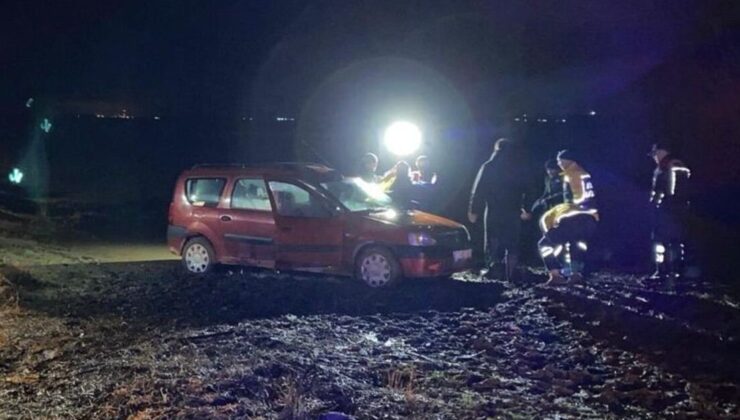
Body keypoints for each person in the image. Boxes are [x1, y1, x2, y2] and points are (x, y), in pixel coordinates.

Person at [468, 138, 528, 280]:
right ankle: (510, 273)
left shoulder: (489, 166)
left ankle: (494, 270)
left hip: (494, 209)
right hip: (513, 209)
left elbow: (479, 189)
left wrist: (474, 210)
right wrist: (526, 208)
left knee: (492, 240)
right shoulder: (518, 167)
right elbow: (527, 188)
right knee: (512, 243)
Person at [538, 149, 599, 285]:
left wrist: (557, 214)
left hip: (574, 218)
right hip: (590, 219)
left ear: (569, 160)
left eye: (560, 160)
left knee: (544, 244)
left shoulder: (571, 175)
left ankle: (555, 274)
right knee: (576, 244)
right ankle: (576, 274)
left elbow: (575, 201)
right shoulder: (585, 173)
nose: (558, 163)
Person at [648, 143, 692, 280]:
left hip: (670, 211)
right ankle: (667, 270)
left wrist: (660, 204)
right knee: (669, 240)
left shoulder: (671, 165)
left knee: (668, 240)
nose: (654, 158)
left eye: (655, 154)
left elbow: (673, 191)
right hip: (670, 210)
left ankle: (670, 270)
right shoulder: (664, 167)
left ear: (662, 152)